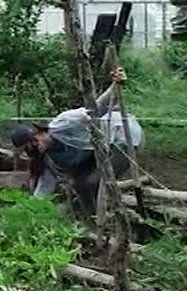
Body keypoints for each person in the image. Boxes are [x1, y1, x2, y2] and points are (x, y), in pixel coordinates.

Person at [11, 67, 142, 219]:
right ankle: (93, 219)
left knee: (93, 182)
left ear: (40, 131)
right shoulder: (50, 160)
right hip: (101, 151)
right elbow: (43, 189)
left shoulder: (64, 124)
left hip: (123, 138)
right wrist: (28, 211)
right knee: (79, 184)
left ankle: (108, 217)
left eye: (33, 141)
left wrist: (115, 85)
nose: (35, 147)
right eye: (28, 149)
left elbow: (96, 108)